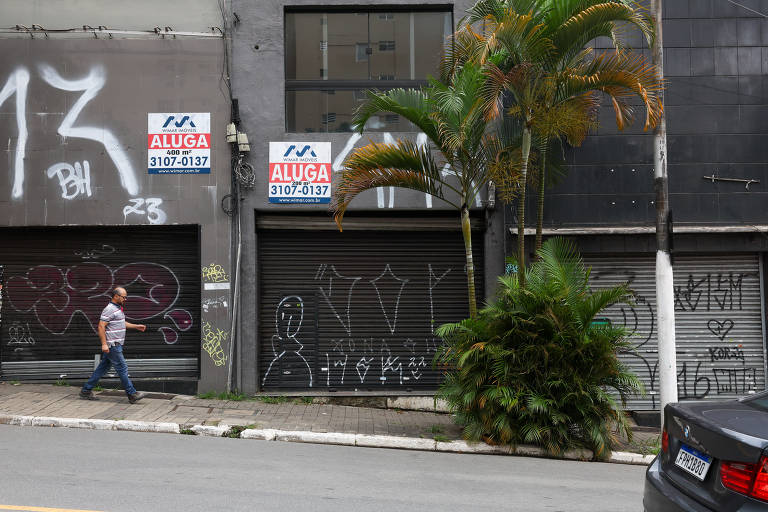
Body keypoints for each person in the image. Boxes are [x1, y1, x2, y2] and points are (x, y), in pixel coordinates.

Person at [80, 287, 146, 404]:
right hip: (113, 345)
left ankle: (86, 390)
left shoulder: (117, 308)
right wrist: (104, 344)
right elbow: (101, 326)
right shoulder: (109, 309)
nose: (125, 299)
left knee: (102, 369)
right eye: (124, 297)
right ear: (116, 296)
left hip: (114, 345)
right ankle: (132, 394)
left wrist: (136, 326)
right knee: (122, 368)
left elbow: (121, 323)